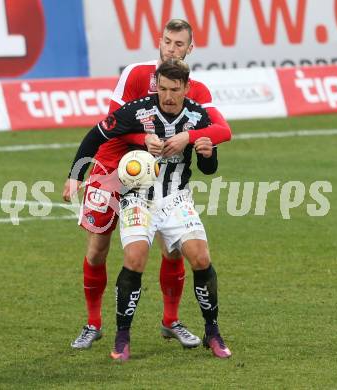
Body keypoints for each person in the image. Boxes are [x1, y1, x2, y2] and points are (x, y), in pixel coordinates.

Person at [63, 19, 231, 350]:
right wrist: (143, 139)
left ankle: (171, 321)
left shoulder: (196, 90)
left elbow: (222, 130)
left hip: (158, 179)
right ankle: (93, 323)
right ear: (160, 42)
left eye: (179, 44)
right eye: (167, 42)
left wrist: (189, 137)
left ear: (190, 49)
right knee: (98, 248)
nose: (172, 48)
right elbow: (111, 126)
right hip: (114, 166)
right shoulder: (137, 74)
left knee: (174, 247)